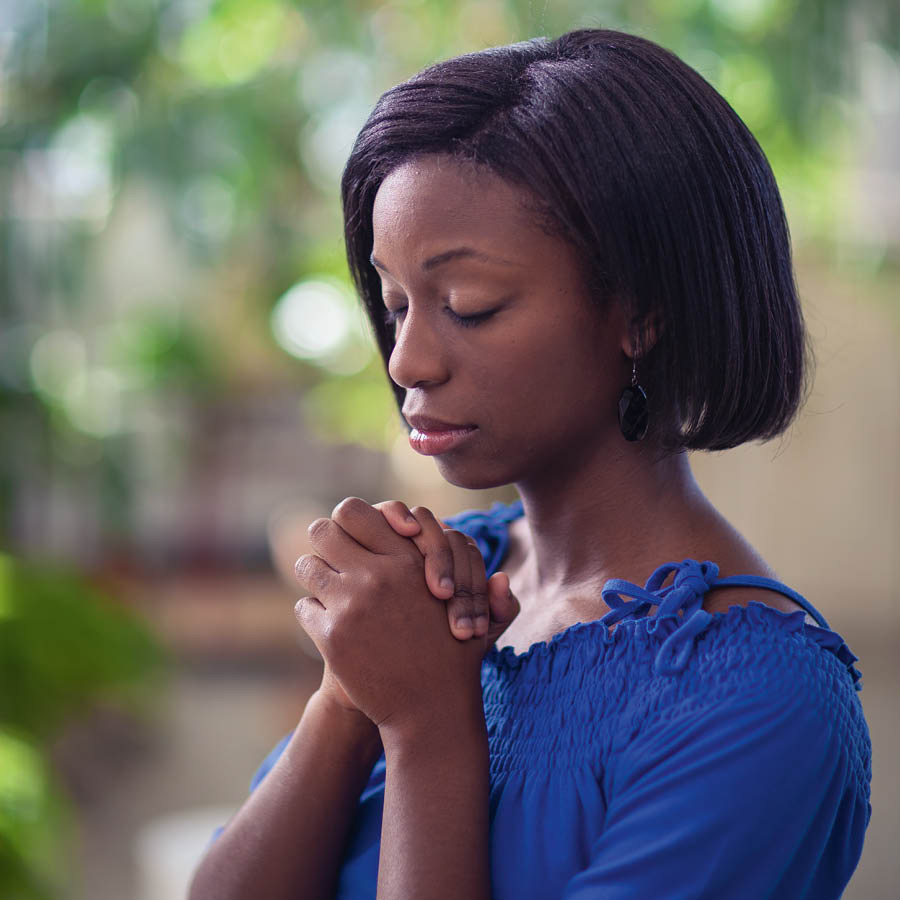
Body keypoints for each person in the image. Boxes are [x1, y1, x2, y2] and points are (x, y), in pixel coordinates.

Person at [188, 28, 872, 900]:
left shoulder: (757, 704)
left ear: (643, 315)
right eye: (395, 304)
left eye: (469, 305)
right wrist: (347, 700)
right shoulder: (435, 587)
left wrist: (428, 728)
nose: (405, 361)